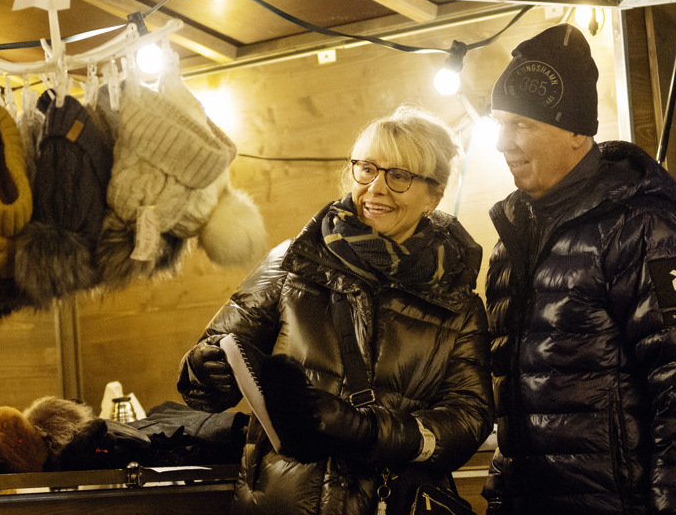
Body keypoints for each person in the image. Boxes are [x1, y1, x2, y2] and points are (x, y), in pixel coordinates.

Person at [177, 106, 493, 515]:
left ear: (434, 195)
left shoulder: (458, 303)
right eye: (367, 168)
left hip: (392, 503)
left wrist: (367, 431)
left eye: (399, 175)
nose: (376, 188)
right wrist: (206, 367)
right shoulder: (293, 260)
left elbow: (469, 419)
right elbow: (201, 382)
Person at [482, 23, 676, 515]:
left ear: (577, 131)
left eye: (522, 125)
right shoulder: (511, 237)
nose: (502, 143)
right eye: (499, 123)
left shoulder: (641, 227)